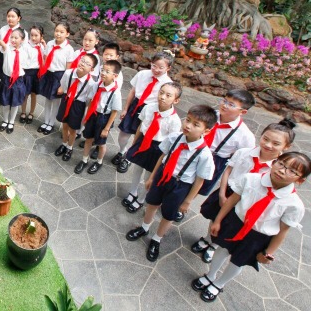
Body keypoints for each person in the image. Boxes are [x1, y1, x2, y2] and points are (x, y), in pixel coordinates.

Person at [191, 152, 309, 303]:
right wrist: (218, 220)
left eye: (292, 171)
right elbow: (232, 200)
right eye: (281, 164)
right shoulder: (251, 179)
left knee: (238, 261)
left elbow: (282, 231)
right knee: (222, 249)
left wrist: (268, 253)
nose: (282, 171)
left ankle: (219, 283)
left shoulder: (294, 204)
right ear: (274, 162)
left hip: (257, 236)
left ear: (300, 180)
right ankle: (210, 275)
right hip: (236, 223)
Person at [192, 118, 296, 263]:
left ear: (286, 146)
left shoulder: (278, 168)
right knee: (216, 217)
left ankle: (215, 245)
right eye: (265, 139)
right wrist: (222, 193)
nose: (268, 145)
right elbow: (228, 171)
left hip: (248, 202)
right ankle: (208, 238)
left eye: (276, 143)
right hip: (228, 192)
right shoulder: (244, 153)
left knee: (229, 226)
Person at [126, 104, 217, 262]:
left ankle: (157, 239)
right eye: (187, 120)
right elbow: (162, 157)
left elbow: (199, 180)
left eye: (196, 124)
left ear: (206, 131)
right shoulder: (174, 137)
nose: (188, 125)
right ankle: (145, 227)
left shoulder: (205, 155)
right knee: (152, 204)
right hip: (163, 175)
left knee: (168, 215)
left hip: (180, 185)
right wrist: (152, 177)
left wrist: (187, 201)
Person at [121, 82, 183, 212]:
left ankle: (141, 199)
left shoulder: (174, 121)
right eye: (161, 92)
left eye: (168, 95)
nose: (162, 97)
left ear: (176, 100)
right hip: (143, 141)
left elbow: (171, 142)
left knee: (148, 176)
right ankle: (133, 192)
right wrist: (134, 143)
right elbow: (141, 126)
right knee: (137, 169)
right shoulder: (148, 108)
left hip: (157, 148)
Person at [114, 51, 174, 171]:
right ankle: (122, 151)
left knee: (140, 136)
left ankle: (128, 158)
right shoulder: (142, 74)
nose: (156, 70)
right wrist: (126, 109)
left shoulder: (168, 83)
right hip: (136, 105)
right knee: (123, 134)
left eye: (161, 67)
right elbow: (132, 91)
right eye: (154, 65)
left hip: (151, 110)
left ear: (168, 68)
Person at [75, 60, 122, 174]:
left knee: (101, 143)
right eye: (102, 70)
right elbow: (91, 101)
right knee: (88, 139)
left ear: (114, 76)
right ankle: (84, 159)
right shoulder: (96, 85)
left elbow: (114, 112)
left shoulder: (115, 92)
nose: (103, 73)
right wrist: (87, 116)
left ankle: (99, 162)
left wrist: (106, 128)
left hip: (104, 118)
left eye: (107, 71)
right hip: (93, 115)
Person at [53, 54, 98, 162]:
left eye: (87, 63)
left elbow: (88, 99)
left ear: (91, 69)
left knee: (73, 129)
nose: (83, 63)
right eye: (82, 60)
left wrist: (80, 106)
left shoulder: (91, 83)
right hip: (66, 99)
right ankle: (64, 143)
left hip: (78, 104)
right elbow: (63, 85)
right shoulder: (68, 73)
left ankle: (70, 147)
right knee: (64, 124)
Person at [36, 23, 75, 135]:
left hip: (59, 77)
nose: (58, 34)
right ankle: (46, 121)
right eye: (57, 31)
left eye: (62, 32)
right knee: (47, 100)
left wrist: (63, 85)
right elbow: (46, 58)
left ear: (67, 34)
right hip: (49, 74)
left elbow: (68, 69)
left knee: (56, 102)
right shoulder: (50, 44)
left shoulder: (69, 49)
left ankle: (51, 123)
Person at [0, 28, 33, 134]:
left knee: (15, 102)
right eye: (12, 37)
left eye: (16, 38)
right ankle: (5, 120)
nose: (13, 39)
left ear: (22, 39)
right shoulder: (7, 48)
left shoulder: (24, 51)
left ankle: (11, 122)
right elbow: (3, 45)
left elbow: (27, 62)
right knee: (5, 102)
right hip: (7, 78)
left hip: (18, 80)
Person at [0, 8, 22, 106]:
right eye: (8, 16)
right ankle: (2, 95)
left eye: (13, 16)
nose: (10, 19)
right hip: (2, 56)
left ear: (18, 18)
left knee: (9, 77)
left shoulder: (21, 32)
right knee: (2, 76)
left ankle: (8, 96)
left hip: (13, 58)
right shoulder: (3, 29)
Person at [19, 25, 46, 125]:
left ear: (41, 36)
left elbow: (46, 57)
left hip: (36, 73)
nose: (33, 38)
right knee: (25, 94)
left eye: (36, 35)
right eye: (32, 35)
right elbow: (22, 59)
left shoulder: (42, 47)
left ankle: (31, 112)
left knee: (34, 94)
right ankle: (23, 112)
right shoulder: (25, 46)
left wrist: (44, 45)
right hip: (27, 73)